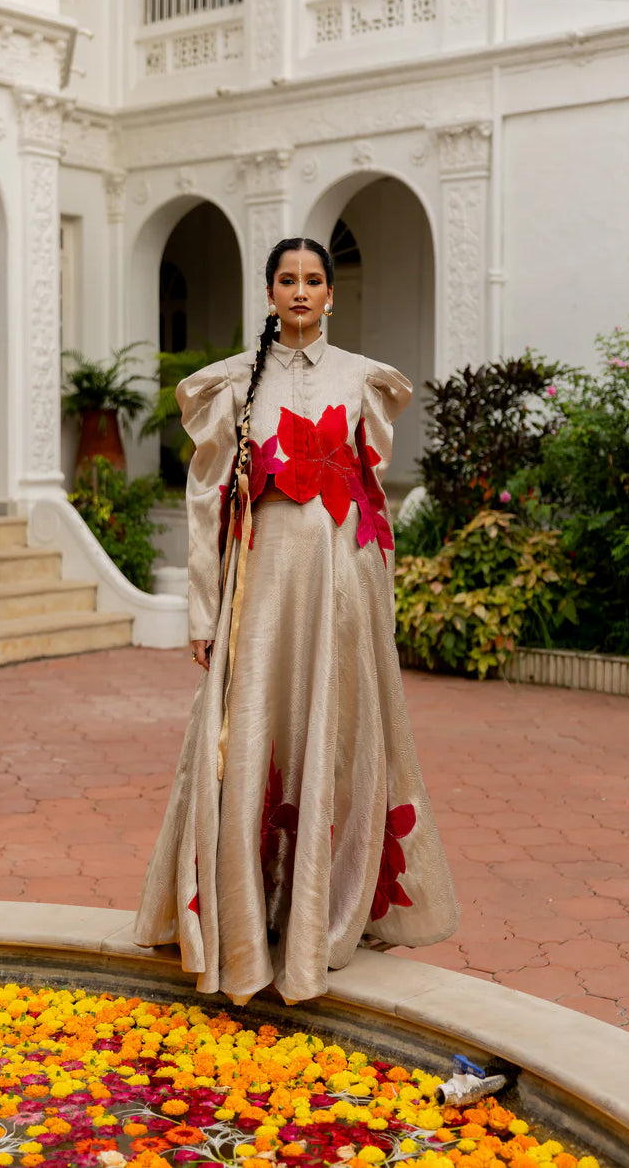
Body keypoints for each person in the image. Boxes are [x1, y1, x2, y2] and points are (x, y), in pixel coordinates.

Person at [134, 237, 458, 1004]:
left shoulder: (364, 380)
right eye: (288, 279)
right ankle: (246, 919)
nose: (302, 291)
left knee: (334, 730)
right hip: (263, 585)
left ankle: (323, 912)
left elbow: (371, 497)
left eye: (314, 279)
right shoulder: (229, 384)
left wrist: (379, 600)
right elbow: (207, 503)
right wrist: (204, 611)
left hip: (342, 585)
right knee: (252, 730)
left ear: (331, 294)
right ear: (270, 291)